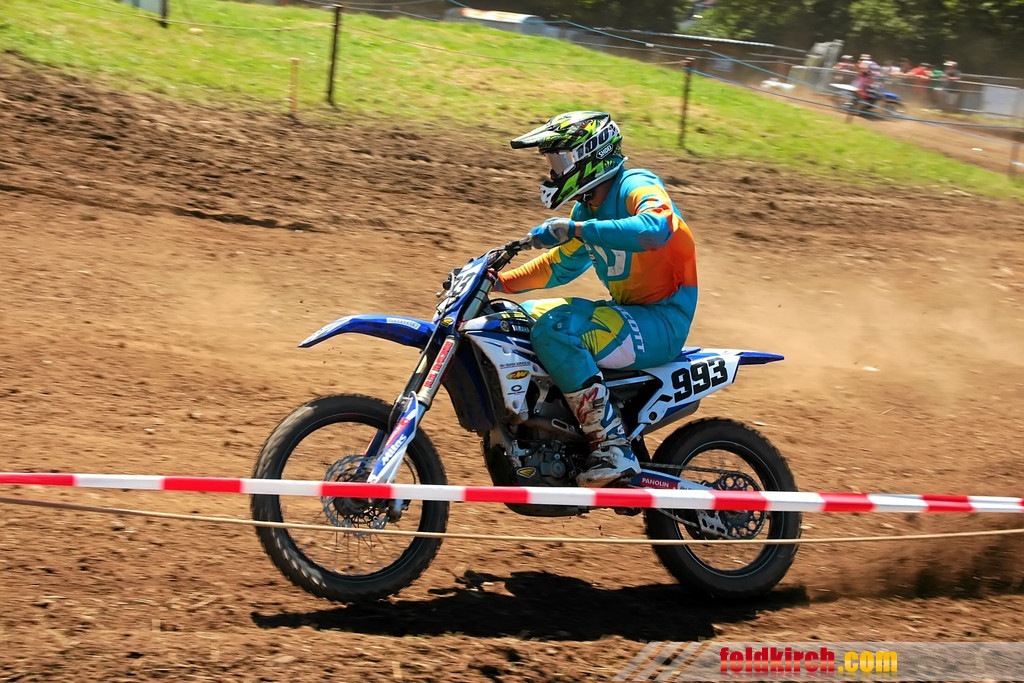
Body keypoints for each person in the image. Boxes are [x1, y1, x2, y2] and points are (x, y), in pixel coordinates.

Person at [498, 111, 698, 488]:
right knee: (518, 318)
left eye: (560, 162)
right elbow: (559, 266)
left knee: (556, 329)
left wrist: (576, 229)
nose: (553, 173)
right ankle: (552, 426)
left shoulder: (636, 185)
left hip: (662, 321)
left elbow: (656, 229)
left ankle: (612, 445)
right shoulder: (586, 209)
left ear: (591, 155)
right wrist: (499, 282)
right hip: (631, 315)